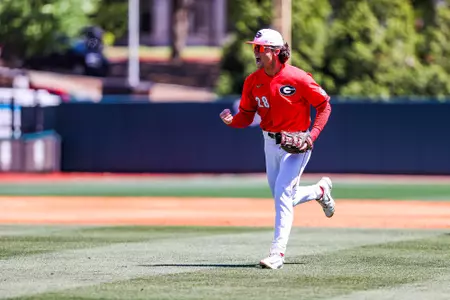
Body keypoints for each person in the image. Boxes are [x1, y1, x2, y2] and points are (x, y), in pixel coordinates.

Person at [219, 28, 335, 269]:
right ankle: (319, 192)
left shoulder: (298, 78)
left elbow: (324, 106)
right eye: (254, 48)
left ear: (274, 51)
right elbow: (246, 116)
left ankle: (277, 254)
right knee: (283, 197)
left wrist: (311, 136)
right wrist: (233, 121)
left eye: (259, 48)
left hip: (298, 144)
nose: (255, 53)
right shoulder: (253, 81)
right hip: (269, 143)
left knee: (282, 192)